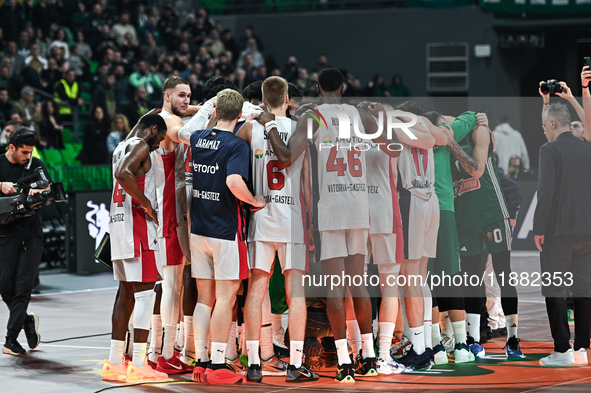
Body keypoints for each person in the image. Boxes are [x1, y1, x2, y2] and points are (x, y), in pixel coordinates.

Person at [263, 68, 400, 382]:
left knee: (335, 290)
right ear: (343, 86)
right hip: (359, 207)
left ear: (317, 87)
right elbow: (394, 147)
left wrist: (271, 126)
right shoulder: (359, 117)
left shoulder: (312, 118)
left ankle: (344, 362)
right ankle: (368, 356)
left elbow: (284, 158)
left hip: (331, 210)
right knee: (360, 285)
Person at [175, 88, 266, 385]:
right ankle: (217, 363)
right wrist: (254, 200)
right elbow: (233, 181)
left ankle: (200, 360)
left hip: (198, 228)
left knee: (205, 299)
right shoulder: (236, 144)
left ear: (215, 112)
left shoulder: (200, 137)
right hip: (225, 230)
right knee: (225, 299)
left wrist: (206, 108)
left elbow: (184, 132)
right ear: (239, 116)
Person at [237, 76, 318, 383]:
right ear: (287, 99)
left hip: (261, 216)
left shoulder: (249, 128)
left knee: (256, 289)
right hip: (292, 219)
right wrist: (311, 224)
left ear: (262, 97)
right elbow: (307, 182)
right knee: (295, 291)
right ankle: (296, 364)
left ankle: (254, 362)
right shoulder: (299, 128)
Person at [101, 112, 169, 382]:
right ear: (152, 130)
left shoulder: (121, 145)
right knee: (145, 296)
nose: (157, 146)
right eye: (159, 139)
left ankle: (115, 361)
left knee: (125, 294)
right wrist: (147, 203)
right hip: (138, 228)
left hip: (118, 227)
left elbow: (122, 165)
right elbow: (122, 173)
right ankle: (139, 364)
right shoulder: (141, 145)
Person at [534, 103, 591, 366]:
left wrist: (539, 228)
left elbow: (545, 192)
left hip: (558, 230)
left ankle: (561, 350)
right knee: (583, 288)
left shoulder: (550, 149)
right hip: (586, 229)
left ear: (554, 124)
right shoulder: (587, 148)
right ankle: (581, 349)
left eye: (545, 126)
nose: (544, 131)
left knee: (554, 288)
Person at [0, 127, 47, 356]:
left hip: (32, 233)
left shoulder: (35, 164)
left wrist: (40, 191)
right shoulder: (0, 163)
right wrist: (0, 186)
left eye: (30, 152)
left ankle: (10, 339)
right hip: (5, 232)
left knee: (23, 288)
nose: (28, 156)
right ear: (12, 148)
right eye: (24, 152)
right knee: (4, 285)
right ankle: (27, 321)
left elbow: (48, 186)